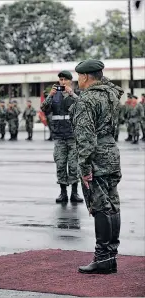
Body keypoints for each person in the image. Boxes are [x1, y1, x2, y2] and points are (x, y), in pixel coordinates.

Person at [71, 59, 122, 274]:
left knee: (101, 205)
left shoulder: (87, 100)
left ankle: (102, 258)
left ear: (84, 77)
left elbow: (85, 138)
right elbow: (110, 84)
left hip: (96, 156)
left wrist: (84, 169)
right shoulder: (111, 94)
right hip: (111, 151)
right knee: (113, 203)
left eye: (79, 77)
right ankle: (110, 255)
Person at [40, 71, 83, 203]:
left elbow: (83, 106)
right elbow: (44, 108)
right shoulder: (55, 95)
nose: (62, 82)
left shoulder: (77, 94)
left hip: (72, 135)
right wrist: (50, 96)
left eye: (65, 80)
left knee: (74, 165)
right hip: (59, 136)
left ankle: (74, 193)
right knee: (60, 164)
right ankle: (63, 192)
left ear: (70, 81)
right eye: (60, 80)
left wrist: (72, 93)